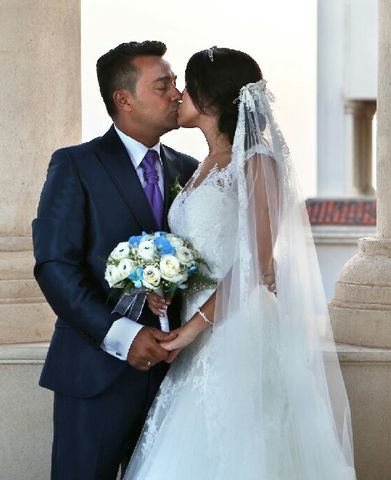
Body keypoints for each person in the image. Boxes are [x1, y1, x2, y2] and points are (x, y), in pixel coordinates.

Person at [123, 46, 357, 479]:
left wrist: (191, 329)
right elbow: (203, 247)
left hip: (237, 332)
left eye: (186, 88)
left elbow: (255, 262)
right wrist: (167, 282)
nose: (177, 97)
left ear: (209, 100)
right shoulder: (198, 168)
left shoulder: (257, 163)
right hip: (195, 329)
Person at [32, 41, 198, 479]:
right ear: (124, 100)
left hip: (176, 380)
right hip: (94, 374)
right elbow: (54, 264)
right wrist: (120, 333)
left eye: (176, 83)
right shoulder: (75, 165)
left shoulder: (193, 169)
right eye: (163, 86)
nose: (177, 94)